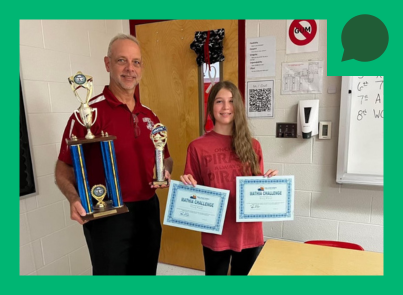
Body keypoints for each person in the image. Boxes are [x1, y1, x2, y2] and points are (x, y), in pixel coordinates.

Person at [55, 34, 173, 275]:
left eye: (136, 62)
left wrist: (165, 169)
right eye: (122, 60)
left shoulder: (150, 116)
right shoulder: (87, 114)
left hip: (148, 211)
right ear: (108, 64)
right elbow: (62, 169)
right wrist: (73, 198)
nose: (130, 69)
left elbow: (166, 156)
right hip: (107, 216)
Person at [180, 81, 278, 275]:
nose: (225, 107)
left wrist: (269, 184)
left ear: (238, 107)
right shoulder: (197, 147)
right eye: (219, 101)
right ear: (211, 107)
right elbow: (194, 194)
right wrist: (187, 187)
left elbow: (257, 191)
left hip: (248, 231)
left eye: (231, 101)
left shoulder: (253, 145)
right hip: (216, 232)